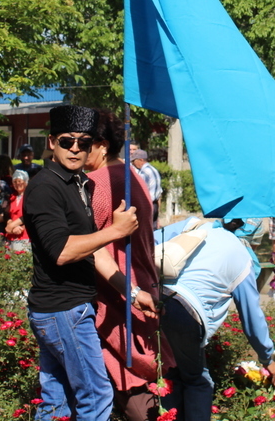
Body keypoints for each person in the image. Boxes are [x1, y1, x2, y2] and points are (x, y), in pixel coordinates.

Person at [22, 105, 156, 421]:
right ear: (52, 141)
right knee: (96, 399)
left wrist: (134, 294)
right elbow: (63, 251)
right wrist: (115, 231)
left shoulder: (78, 183)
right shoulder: (46, 187)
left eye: (83, 142)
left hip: (68, 309)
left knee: (57, 404)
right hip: (62, 310)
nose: (76, 149)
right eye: (68, 141)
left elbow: (94, 253)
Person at [87, 110, 170, 421]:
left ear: (101, 144)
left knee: (133, 393)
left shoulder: (98, 183)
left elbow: (89, 245)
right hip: (141, 288)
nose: (77, 152)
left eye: (83, 144)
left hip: (118, 298)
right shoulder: (130, 174)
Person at [156, 218, 275, 421]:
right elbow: (251, 319)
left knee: (170, 373)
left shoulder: (196, 225)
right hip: (186, 313)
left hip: (152, 299)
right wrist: (267, 358)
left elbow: (150, 240)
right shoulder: (242, 259)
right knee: (198, 382)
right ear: (253, 237)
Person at [130, 149, 162, 227]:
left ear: (141, 160)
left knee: (144, 229)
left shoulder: (144, 172)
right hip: (154, 204)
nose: (133, 163)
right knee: (152, 230)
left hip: (147, 204)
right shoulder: (153, 170)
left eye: (134, 161)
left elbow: (139, 189)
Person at [5, 169, 32, 253]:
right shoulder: (11, 197)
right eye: (15, 182)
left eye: (20, 181)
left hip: (25, 234)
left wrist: (17, 226)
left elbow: (29, 214)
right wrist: (10, 224)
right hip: (11, 235)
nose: (17, 184)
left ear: (26, 181)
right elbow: (5, 213)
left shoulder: (30, 197)